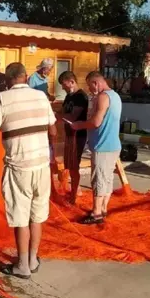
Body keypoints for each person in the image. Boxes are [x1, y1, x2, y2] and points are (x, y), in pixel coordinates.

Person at [0, 62, 57, 279]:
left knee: (20, 217)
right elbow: (54, 130)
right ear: (26, 76)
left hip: (19, 166)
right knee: (37, 216)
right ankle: (32, 258)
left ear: (7, 80)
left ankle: (22, 266)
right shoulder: (41, 97)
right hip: (42, 165)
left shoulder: (2, 98)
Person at [71, 71, 122, 225]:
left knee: (99, 179)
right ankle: (103, 208)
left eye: (90, 86)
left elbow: (96, 122)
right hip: (113, 145)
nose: (90, 89)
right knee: (106, 179)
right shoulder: (115, 96)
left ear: (96, 83)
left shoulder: (102, 97)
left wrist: (79, 125)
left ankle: (96, 213)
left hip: (103, 145)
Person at [59, 71, 88, 204]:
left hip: (78, 135)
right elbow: (62, 112)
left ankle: (74, 195)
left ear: (72, 82)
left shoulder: (81, 97)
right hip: (69, 134)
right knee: (70, 165)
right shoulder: (69, 96)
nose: (62, 88)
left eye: (64, 85)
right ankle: (75, 191)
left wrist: (56, 117)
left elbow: (71, 116)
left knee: (74, 166)